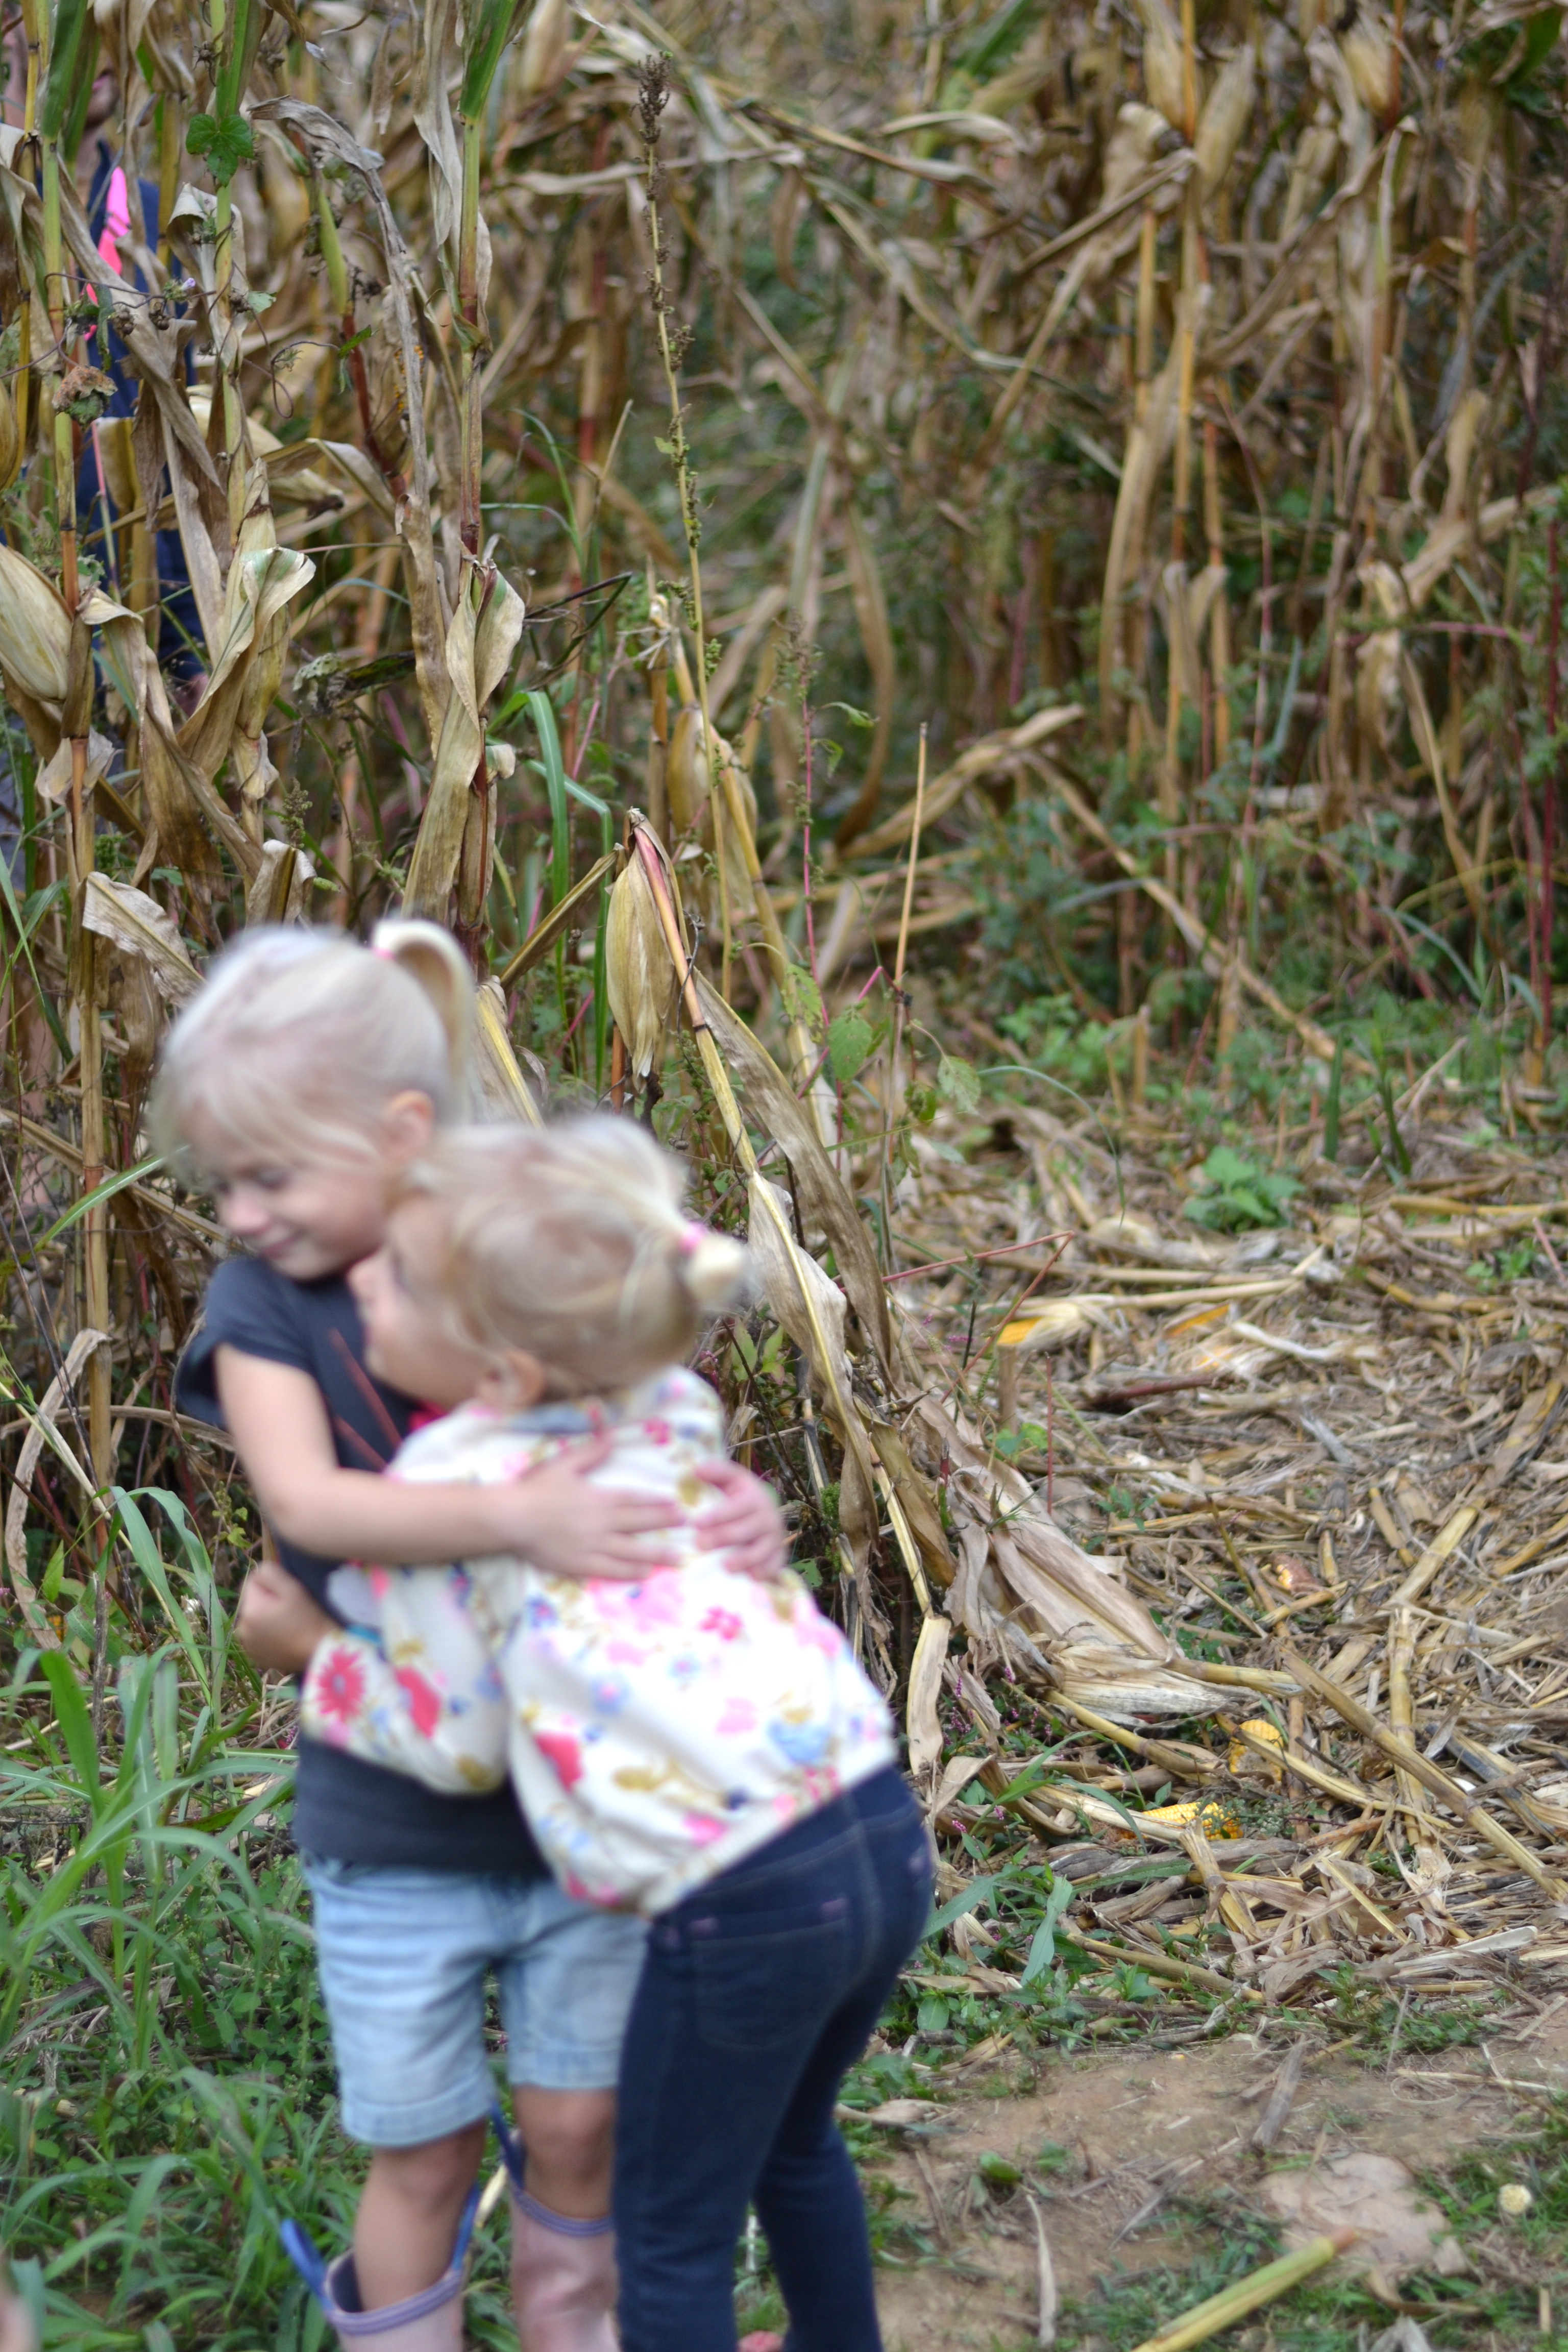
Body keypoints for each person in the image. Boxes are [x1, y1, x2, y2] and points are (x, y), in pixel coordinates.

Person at [156, 922, 786, 2351]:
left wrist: (734, 1512)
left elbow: (646, 1411)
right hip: (394, 1819)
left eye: (271, 1175)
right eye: (222, 1180)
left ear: (401, 1133)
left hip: (588, 1801)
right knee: (426, 2151)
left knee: (581, 2124)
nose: (241, 1213)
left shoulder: (511, 1246)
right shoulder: (263, 1306)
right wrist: (525, 1519)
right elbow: (307, 1501)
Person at [277, 1116, 933, 2352]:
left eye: (399, 1276)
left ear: (505, 1377)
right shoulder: (671, 1404)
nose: (362, 1280)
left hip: (738, 1895)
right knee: (795, 2143)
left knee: (671, 2238)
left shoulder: (449, 1489)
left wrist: (321, 1656)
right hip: (878, 1826)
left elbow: (462, 1743)